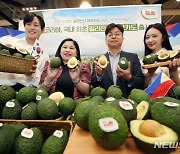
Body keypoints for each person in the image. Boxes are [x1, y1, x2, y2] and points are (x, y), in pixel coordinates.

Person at [91, 23, 145, 98]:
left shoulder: (133, 57)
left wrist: (129, 77)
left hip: (127, 101)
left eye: (117, 34)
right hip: (105, 103)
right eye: (110, 35)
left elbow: (141, 82)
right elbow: (93, 84)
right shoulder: (99, 60)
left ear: (122, 38)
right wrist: (99, 75)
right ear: (106, 40)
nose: (113, 37)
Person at [0, 12, 49, 91]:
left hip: (26, 91)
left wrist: (33, 73)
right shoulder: (10, 42)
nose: (32, 28)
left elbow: (40, 79)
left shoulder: (44, 56)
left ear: (42, 30)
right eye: (28, 24)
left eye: (36, 25)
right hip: (4, 87)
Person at [143, 23, 180, 87]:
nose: (150, 40)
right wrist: (150, 73)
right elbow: (142, 87)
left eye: (154, 36)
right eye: (147, 37)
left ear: (163, 38)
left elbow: (178, 89)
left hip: (168, 96)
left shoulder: (174, 59)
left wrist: (173, 72)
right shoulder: (143, 61)